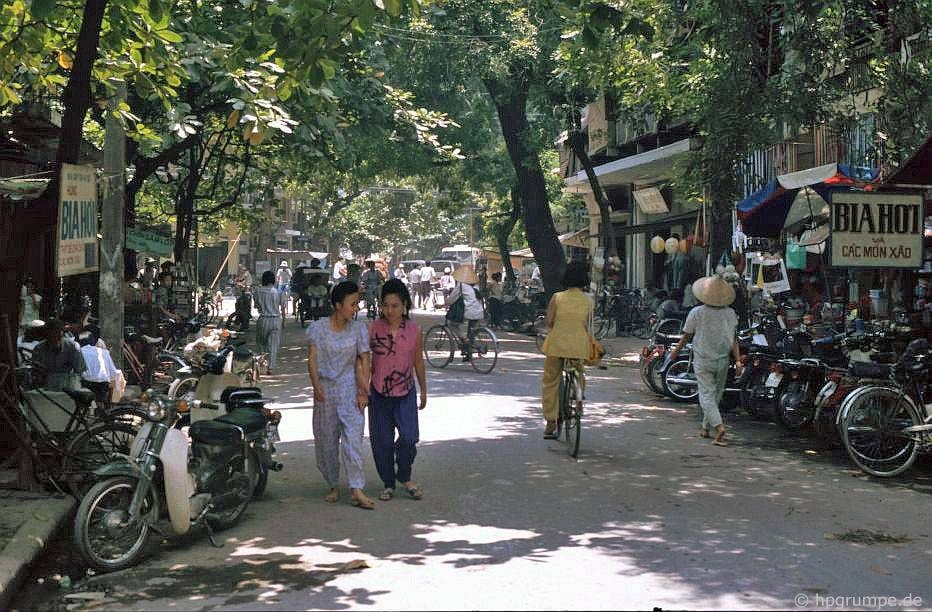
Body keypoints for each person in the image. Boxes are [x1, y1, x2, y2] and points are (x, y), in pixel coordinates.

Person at [306, 281, 375, 509]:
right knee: (326, 441)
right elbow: (313, 360)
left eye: (357, 304)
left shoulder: (358, 329)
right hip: (325, 389)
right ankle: (333, 483)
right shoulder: (318, 329)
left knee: (353, 439)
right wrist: (316, 386)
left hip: (349, 388)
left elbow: (365, 359)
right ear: (338, 305)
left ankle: (356, 488)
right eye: (352, 304)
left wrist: (364, 391)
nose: (356, 308)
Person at [368, 279, 427, 501]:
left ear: (404, 305)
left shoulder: (414, 329)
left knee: (410, 438)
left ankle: (404, 475)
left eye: (394, 305)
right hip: (378, 393)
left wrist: (424, 390)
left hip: (406, 391)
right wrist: (363, 390)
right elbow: (366, 362)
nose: (390, 310)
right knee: (381, 441)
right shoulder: (373, 328)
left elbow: (418, 362)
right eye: (386, 305)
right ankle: (388, 482)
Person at [669, 275, 742, 447]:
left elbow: (686, 335)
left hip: (703, 359)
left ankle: (719, 427)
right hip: (723, 359)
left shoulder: (697, 312)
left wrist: (675, 352)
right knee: (715, 394)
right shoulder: (731, 313)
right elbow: (734, 339)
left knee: (706, 396)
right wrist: (738, 360)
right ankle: (705, 427)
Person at [540, 261, 592, 439]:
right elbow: (586, 324)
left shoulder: (558, 297)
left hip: (557, 345)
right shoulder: (588, 300)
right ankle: (578, 400)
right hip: (578, 346)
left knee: (550, 382)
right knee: (578, 373)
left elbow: (550, 322)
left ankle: (551, 422)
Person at [31, 319, 87, 391]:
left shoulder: (73, 347)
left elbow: (80, 371)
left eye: (58, 334)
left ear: (62, 333)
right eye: (52, 335)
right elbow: (36, 372)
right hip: (47, 386)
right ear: (47, 335)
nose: (55, 337)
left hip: (68, 385)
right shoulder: (39, 348)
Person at [444, 266, 483, 360]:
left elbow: (452, 298)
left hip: (470, 311)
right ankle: (468, 353)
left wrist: (444, 304)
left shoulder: (461, 285)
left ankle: (465, 340)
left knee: (452, 324)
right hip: (480, 312)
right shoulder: (476, 286)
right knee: (471, 332)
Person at [253, 271, 287, 375]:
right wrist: (284, 321)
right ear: (273, 280)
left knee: (261, 343)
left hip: (263, 319)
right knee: (273, 345)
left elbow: (256, 306)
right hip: (276, 320)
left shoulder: (257, 291)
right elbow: (283, 309)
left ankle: (262, 364)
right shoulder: (279, 292)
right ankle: (270, 368)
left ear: (263, 280)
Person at [77, 328, 118, 408]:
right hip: (102, 383)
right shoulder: (104, 352)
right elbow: (113, 373)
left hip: (86, 383)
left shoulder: (79, 351)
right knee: (101, 400)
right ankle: (104, 409)